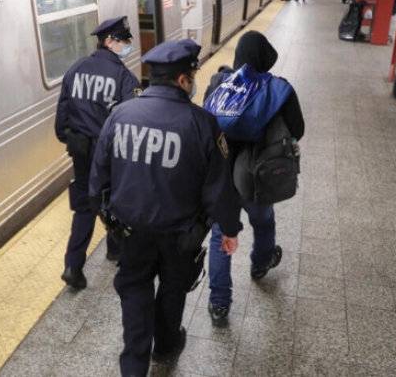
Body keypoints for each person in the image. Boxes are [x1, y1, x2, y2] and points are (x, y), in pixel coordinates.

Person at [90, 39, 242, 377]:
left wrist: (109, 221)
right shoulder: (203, 123)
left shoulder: (119, 115)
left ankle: (133, 365)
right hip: (181, 236)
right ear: (184, 81)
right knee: (173, 289)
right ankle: (167, 343)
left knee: (134, 292)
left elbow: (98, 178)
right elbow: (220, 188)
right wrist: (229, 230)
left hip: (131, 233)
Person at [203, 31, 305, 326]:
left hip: (221, 178)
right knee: (263, 221)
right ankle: (260, 263)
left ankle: (219, 304)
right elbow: (298, 129)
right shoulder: (278, 90)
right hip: (257, 177)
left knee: (221, 235)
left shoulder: (218, 84)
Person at [55, 16, 143, 289]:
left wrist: (73, 139)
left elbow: (61, 122)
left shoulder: (75, 69)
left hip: (81, 154)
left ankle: (73, 267)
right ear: (109, 42)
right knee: (114, 202)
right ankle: (116, 250)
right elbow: (134, 120)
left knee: (84, 208)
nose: (128, 45)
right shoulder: (124, 77)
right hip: (110, 155)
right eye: (124, 40)